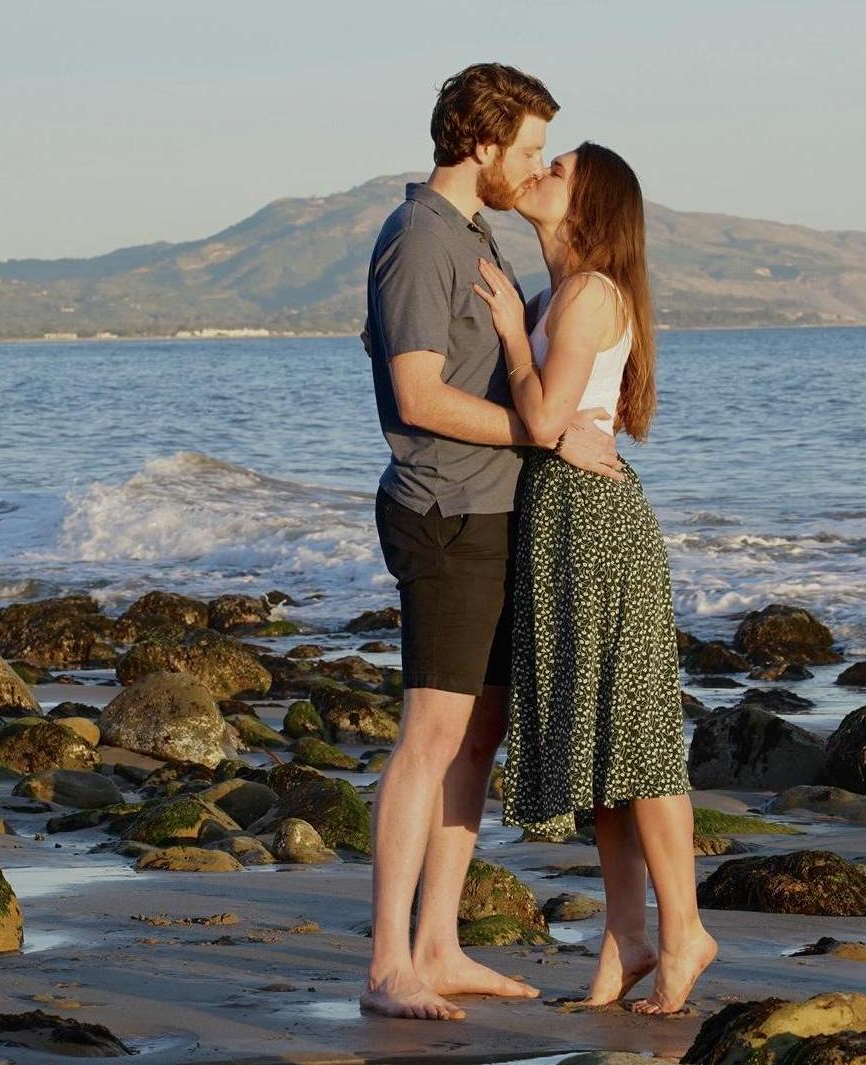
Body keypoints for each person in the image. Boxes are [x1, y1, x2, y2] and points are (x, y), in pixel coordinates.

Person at [360, 64, 625, 1022]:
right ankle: (389, 962)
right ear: (480, 146)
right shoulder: (420, 240)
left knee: (478, 735)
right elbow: (419, 395)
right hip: (445, 514)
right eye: (526, 148)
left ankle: (439, 942)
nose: (537, 165)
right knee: (428, 736)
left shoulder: (473, 235)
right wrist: (546, 429)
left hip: (498, 512)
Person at [472, 142, 719, 1015]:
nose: (541, 171)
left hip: (594, 527)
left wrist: (512, 341)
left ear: (590, 203)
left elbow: (543, 416)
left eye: (561, 168)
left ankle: (684, 928)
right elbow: (547, 422)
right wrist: (551, 421)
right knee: (605, 751)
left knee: (639, 741)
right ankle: (627, 940)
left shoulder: (584, 294)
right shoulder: (556, 293)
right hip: (562, 525)